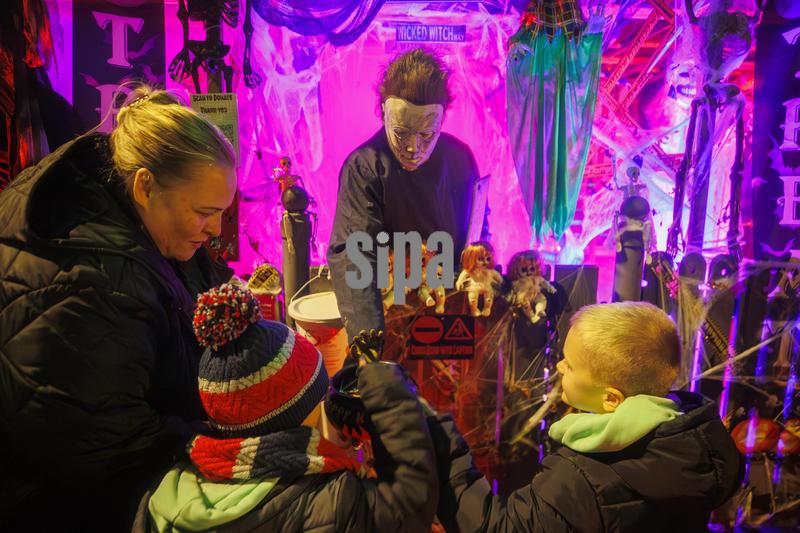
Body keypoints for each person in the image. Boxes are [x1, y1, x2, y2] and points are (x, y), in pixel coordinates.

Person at [0, 86, 237, 531]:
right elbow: (112, 449)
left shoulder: (117, 201)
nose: (216, 229)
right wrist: (232, 440)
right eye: (205, 212)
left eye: (223, 211)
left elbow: (200, 280)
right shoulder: (95, 287)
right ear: (146, 185)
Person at [133, 284, 438, 532]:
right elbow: (408, 507)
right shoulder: (328, 500)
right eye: (318, 397)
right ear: (296, 412)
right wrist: (388, 389)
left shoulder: (166, 492)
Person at [428, 302, 744, 532]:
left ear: (610, 399)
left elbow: (500, 528)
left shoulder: (583, 476)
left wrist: (443, 448)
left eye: (570, 364)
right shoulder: (693, 446)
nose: (561, 368)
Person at [327, 48, 483, 342]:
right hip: (388, 314)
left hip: (451, 311)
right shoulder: (364, 166)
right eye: (401, 132)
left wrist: (479, 272)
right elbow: (352, 253)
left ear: (441, 122)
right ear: (383, 113)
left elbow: (478, 229)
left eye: (426, 135)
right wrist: (367, 339)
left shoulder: (460, 157)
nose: (413, 147)